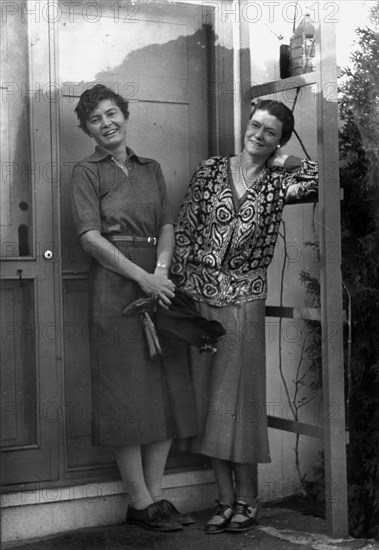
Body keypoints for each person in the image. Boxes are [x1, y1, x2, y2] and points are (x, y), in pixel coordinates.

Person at [171, 99, 318, 534]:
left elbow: (323, 178)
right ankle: (224, 498)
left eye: (269, 132)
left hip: (245, 300)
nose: (258, 135)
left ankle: (247, 500)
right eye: (255, 125)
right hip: (199, 298)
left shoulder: (278, 181)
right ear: (245, 124)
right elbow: (185, 228)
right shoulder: (211, 170)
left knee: (239, 401)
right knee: (208, 401)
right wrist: (179, 290)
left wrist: (283, 160)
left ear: (278, 141)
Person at [70, 84, 198, 532]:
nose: (106, 123)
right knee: (124, 393)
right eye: (95, 119)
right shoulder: (86, 172)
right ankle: (138, 500)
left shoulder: (152, 168)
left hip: (158, 283)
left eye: (111, 113)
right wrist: (142, 277)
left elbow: (167, 223)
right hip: (115, 288)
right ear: (87, 129)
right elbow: (89, 238)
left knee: (161, 387)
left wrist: (161, 272)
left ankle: (158, 496)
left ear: (125, 115)